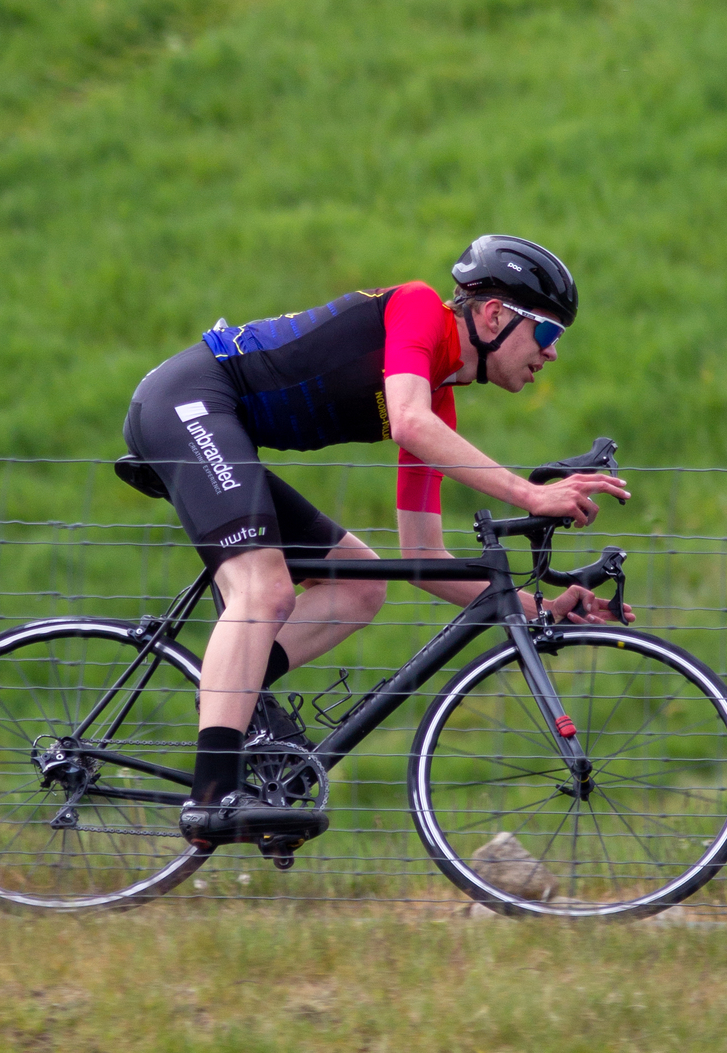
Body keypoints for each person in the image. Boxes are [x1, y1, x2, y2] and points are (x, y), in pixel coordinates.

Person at [120, 234, 631, 824]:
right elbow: (408, 422)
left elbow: (423, 555)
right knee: (263, 590)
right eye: (548, 333)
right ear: (494, 315)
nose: (553, 354)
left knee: (363, 586)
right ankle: (212, 800)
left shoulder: (437, 399)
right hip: (188, 402)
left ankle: (240, 705)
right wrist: (529, 494)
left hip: (217, 421)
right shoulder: (416, 309)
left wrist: (538, 608)